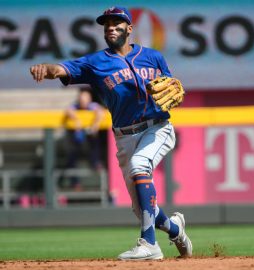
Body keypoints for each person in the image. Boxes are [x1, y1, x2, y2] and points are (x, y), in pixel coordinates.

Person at [30, 6, 192, 260]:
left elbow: (171, 91)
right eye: (107, 24)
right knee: (142, 208)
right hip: (125, 136)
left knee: (140, 166)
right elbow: (61, 69)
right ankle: (175, 229)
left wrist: (175, 92)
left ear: (130, 28)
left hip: (157, 128)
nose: (111, 27)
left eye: (117, 22)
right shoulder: (96, 63)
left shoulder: (153, 57)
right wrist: (45, 68)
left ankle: (150, 245)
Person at [62, 87, 104, 190]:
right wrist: (76, 120)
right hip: (76, 143)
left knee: (94, 144)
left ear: (89, 99)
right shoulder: (75, 106)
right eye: (81, 99)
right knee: (72, 157)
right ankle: (75, 183)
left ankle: (95, 164)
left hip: (89, 141)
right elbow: (68, 110)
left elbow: (100, 111)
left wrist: (96, 124)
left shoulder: (92, 106)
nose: (83, 101)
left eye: (86, 99)